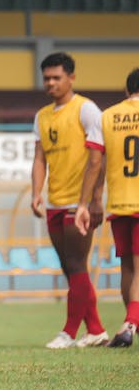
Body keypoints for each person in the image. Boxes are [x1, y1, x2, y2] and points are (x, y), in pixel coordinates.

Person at [30, 52, 108, 348]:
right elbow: (39, 158)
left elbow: (98, 160)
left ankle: (69, 331)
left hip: (79, 205)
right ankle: (97, 329)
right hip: (54, 203)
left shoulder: (87, 110)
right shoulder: (42, 116)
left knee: (76, 265)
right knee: (71, 269)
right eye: (47, 78)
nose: (50, 83)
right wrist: (36, 192)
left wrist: (92, 201)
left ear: (71, 78)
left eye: (56, 77)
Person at [76, 67, 139, 348]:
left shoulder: (108, 116)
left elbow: (95, 163)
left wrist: (89, 202)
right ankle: (130, 324)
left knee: (127, 267)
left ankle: (132, 323)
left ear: (127, 91)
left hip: (119, 204)